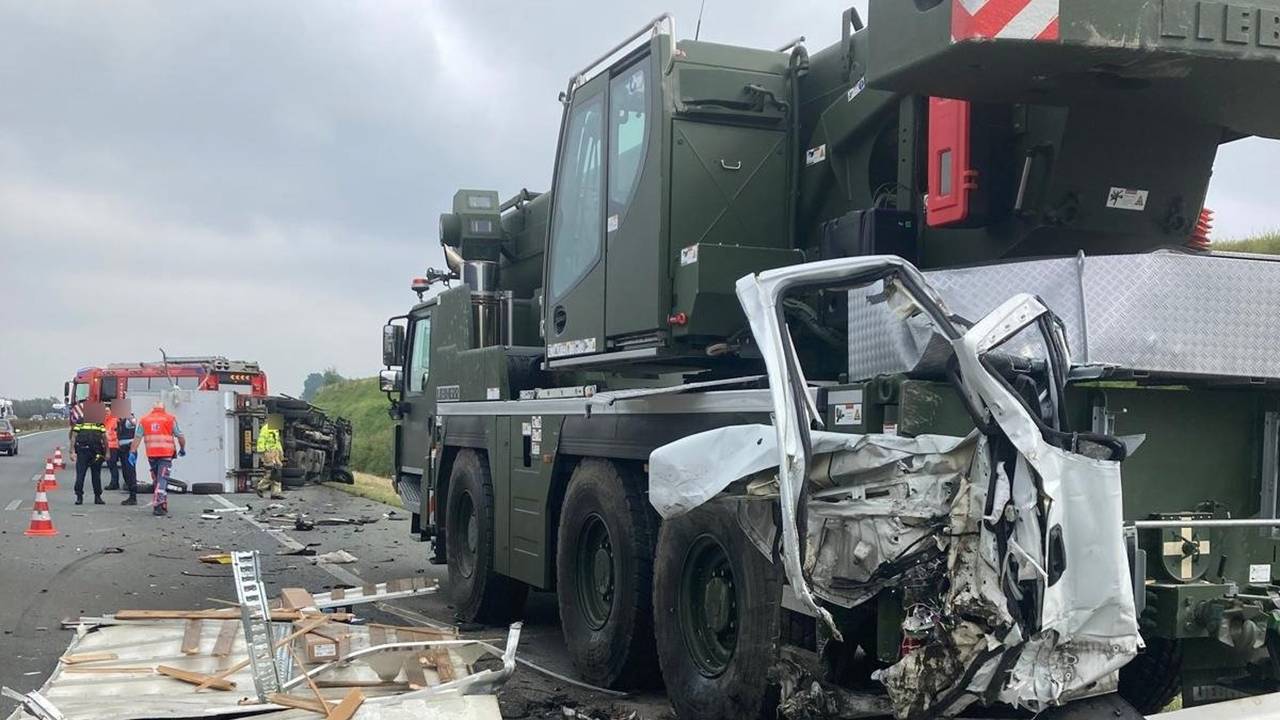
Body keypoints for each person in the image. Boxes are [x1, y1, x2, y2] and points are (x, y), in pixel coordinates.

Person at [129, 400, 186, 516]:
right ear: (164, 408)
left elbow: (137, 438)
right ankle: (159, 504)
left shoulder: (144, 420)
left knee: (157, 479)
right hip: (166, 454)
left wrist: (132, 452)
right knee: (162, 479)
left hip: (152, 455)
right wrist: (182, 448)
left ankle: (162, 503)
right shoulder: (170, 419)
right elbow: (180, 435)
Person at [69, 403, 108, 505]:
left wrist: (107, 452)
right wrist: (72, 451)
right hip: (83, 452)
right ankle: (79, 497)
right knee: (80, 476)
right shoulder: (80, 422)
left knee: (96, 476)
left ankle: (98, 497)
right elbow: (73, 437)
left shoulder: (99, 423)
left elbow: (104, 438)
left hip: (96, 453)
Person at [109, 404, 140, 505]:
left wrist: (128, 416)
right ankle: (131, 494)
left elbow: (134, 423)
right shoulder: (120, 421)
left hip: (129, 449)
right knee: (126, 472)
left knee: (130, 472)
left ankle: (133, 496)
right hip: (122, 449)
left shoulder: (128, 420)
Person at [255, 423, 285, 500]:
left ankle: (275, 493)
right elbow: (261, 440)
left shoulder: (275, 430)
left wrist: (280, 453)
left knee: (277, 473)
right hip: (268, 452)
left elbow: (277, 442)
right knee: (271, 473)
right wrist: (262, 452)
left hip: (275, 453)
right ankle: (260, 487)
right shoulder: (265, 429)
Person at [103, 404, 120, 491]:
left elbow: (115, 433)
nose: (106, 413)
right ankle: (114, 482)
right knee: (111, 465)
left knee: (112, 465)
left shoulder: (113, 420)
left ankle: (114, 483)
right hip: (108, 445)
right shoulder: (105, 420)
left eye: (107, 411)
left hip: (113, 446)